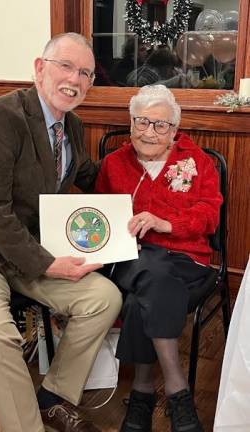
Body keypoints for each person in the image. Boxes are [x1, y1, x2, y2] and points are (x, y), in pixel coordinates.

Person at [0, 32, 122, 432]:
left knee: (104, 297)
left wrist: (144, 170)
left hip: (24, 250)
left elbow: (87, 173)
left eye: (85, 72)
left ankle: (53, 397)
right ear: (39, 68)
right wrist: (49, 264)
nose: (75, 78)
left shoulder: (73, 126)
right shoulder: (0, 116)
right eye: (65, 66)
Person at [95, 85, 222, 432]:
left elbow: (209, 216)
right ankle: (178, 390)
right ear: (132, 123)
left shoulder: (197, 163)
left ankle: (143, 392)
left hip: (187, 259)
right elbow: (100, 218)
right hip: (130, 258)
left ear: (174, 131)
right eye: (142, 122)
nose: (150, 132)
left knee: (143, 296)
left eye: (160, 125)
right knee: (151, 271)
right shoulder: (113, 164)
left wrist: (165, 223)